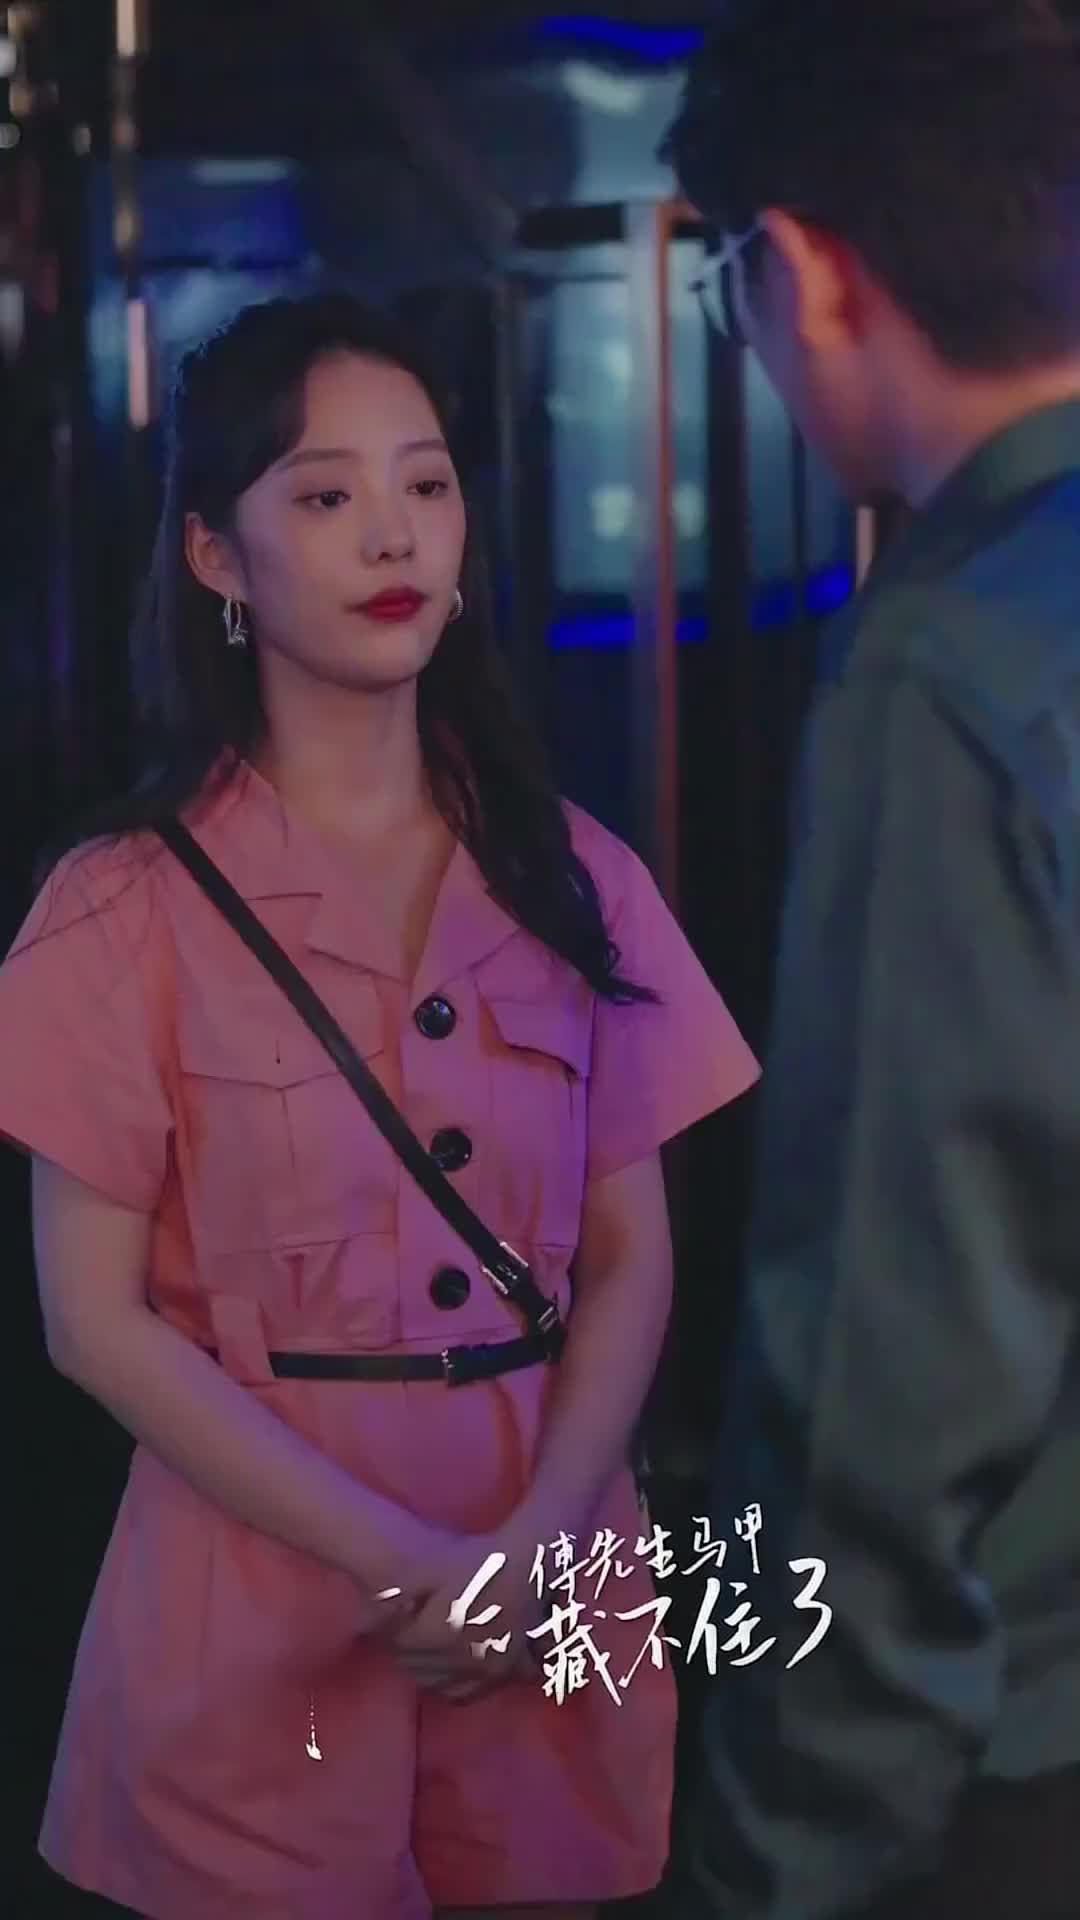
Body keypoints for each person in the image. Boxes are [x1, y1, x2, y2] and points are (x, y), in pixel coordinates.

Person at [0, 294, 759, 1920]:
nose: (392, 534)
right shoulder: (117, 906)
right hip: (256, 1598)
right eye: (326, 495)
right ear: (217, 556)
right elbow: (89, 1320)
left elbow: (633, 1255)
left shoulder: (576, 873)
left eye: (424, 484)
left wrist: (542, 1541)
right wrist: (405, 1563)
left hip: (548, 1573)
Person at [660, 2, 1080, 1916]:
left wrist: (770, 1858)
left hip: (1021, 1759)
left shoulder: (947, 666)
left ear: (810, 272)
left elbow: (878, 1393)